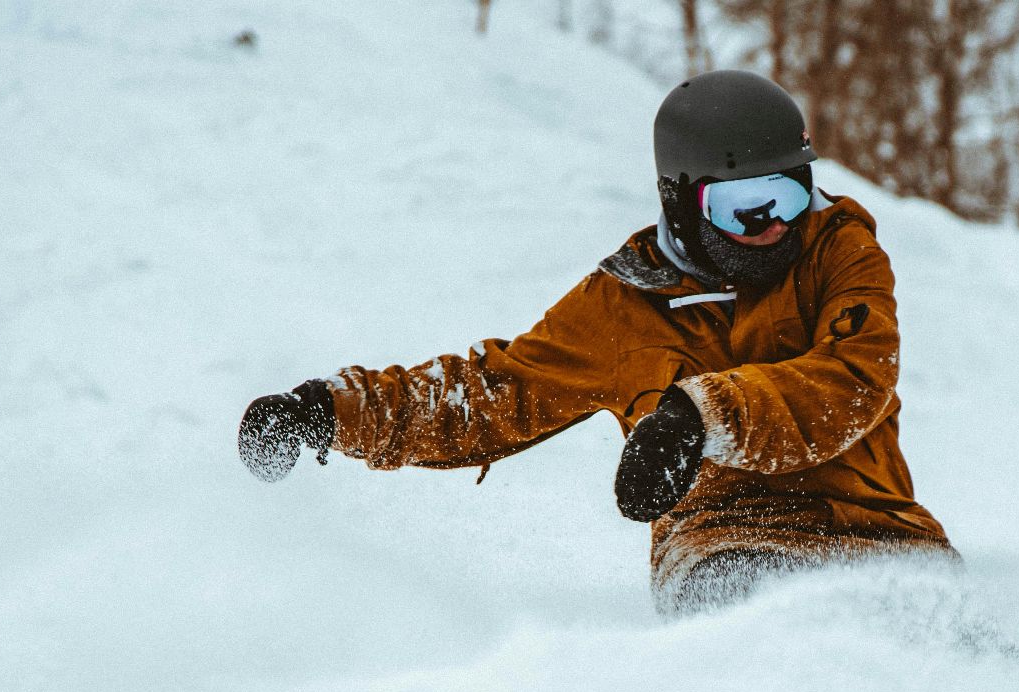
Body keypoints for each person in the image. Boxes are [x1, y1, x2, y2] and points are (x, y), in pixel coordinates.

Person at [238, 70, 955, 614]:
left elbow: (850, 381)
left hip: (883, 531)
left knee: (923, 615)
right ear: (680, 198)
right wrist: (329, 411)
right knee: (774, 616)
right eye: (743, 206)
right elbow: (495, 394)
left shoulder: (842, 254)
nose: (774, 224)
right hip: (725, 545)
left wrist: (698, 418)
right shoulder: (623, 307)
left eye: (791, 194)